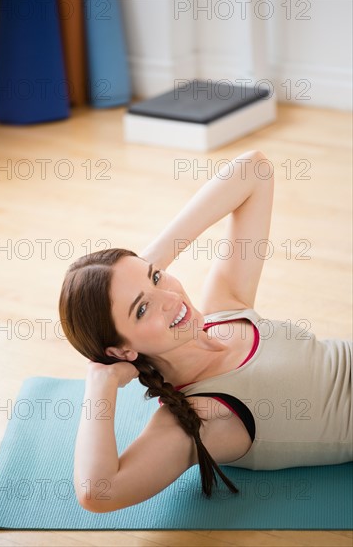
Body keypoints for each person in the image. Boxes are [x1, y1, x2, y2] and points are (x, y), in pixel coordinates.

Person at [58, 150, 352, 514]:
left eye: (157, 277)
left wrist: (149, 263)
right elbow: (98, 492)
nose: (169, 297)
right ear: (121, 350)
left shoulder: (223, 308)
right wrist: (98, 382)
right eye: (142, 308)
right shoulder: (202, 417)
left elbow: (255, 170)